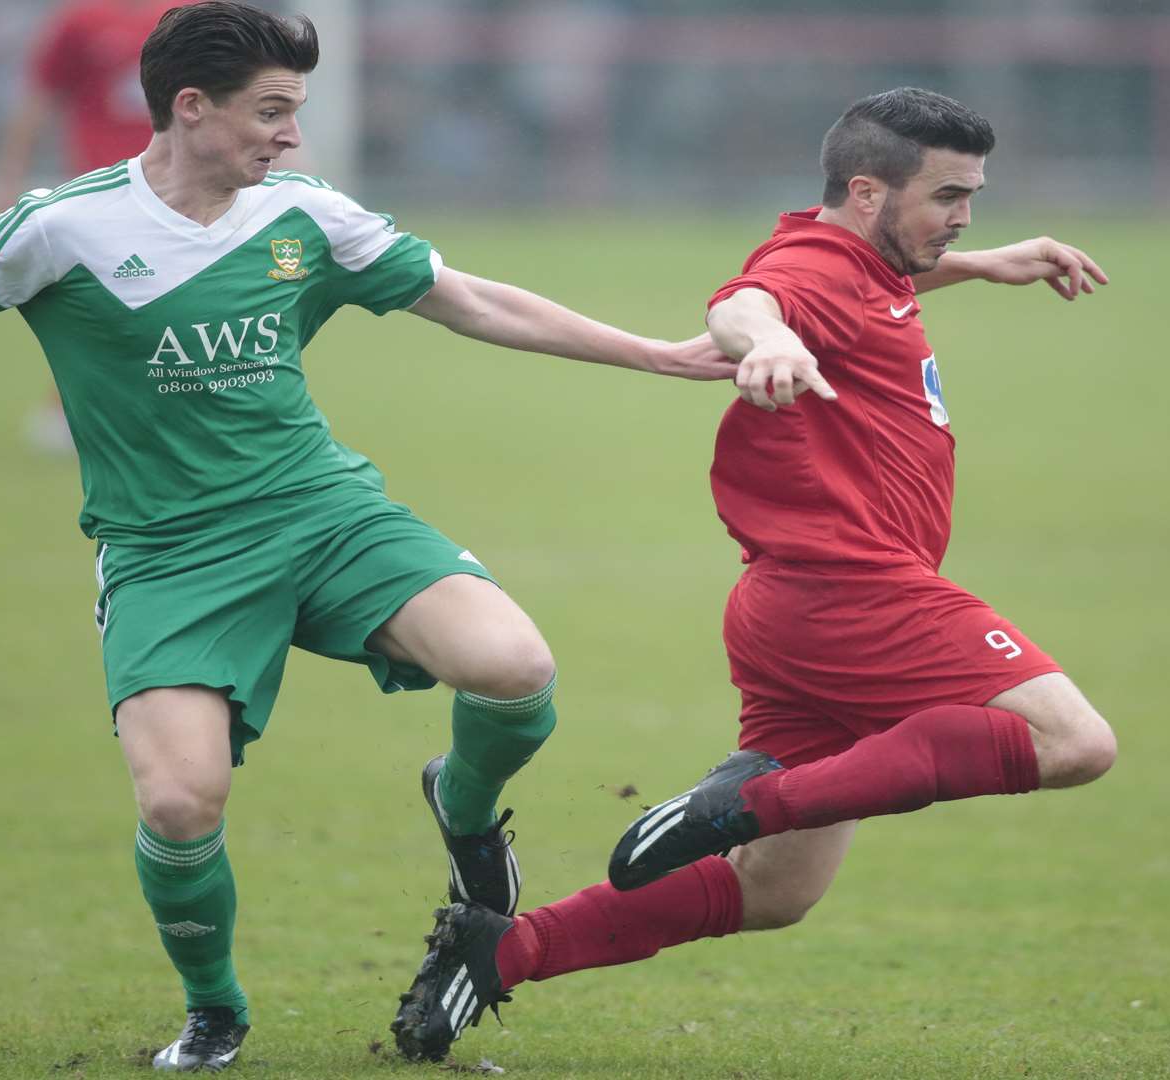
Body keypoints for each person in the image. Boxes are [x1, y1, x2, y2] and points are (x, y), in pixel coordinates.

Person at [0, 3, 729, 1072]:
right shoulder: (59, 227)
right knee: (181, 802)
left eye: (295, 112)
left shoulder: (306, 213)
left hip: (320, 514)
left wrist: (655, 354)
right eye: (270, 112)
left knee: (516, 669)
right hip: (169, 554)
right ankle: (215, 1010)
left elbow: (472, 300)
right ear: (190, 109)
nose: (289, 134)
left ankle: (461, 814)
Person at [389, 87, 1116, 1063]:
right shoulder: (813, 264)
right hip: (857, 596)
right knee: (1073, 742)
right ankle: (748, 797)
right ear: (867, 191)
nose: (964, 216)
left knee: (776, 891)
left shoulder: (866, 263)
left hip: (794, 608)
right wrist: (767, 341)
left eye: (973, 197)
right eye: (948, 197)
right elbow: (749, 302)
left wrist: (987, 266)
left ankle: (498, 951)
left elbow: (863, 294)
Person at [0, 0, 184, 454]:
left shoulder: (190, 13)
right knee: (114, 297)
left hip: (179, 181)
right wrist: (8, 175)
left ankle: (87, 409)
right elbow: (40, 95)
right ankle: (71, 408)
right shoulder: (81, 20)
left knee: (167, 295)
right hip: (103, 182)